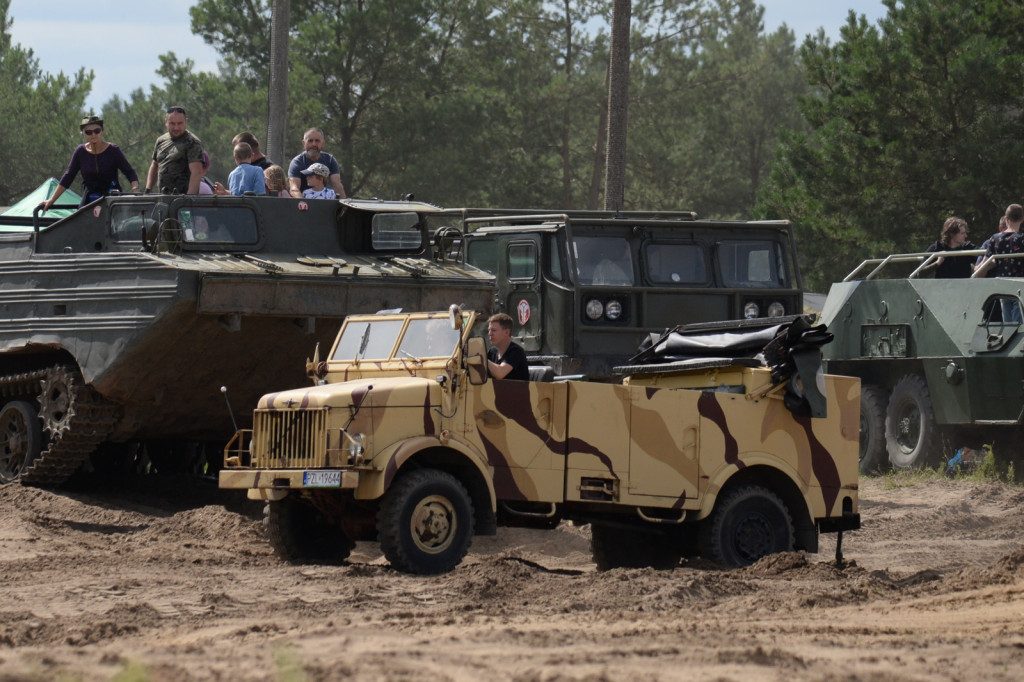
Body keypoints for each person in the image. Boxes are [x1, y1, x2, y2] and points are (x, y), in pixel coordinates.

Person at [39, 115, 139, 211]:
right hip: (90, 199)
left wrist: (136, 191)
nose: (93, 135)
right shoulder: (80, 152)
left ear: (102, 131)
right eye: (89, 132)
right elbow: (68, 176)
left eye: (97, 131)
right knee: (83, 221)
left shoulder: (113, 150)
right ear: (83, 133)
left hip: (112, 199)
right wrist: (52, 200)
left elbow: (130, 172)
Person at [146, 106, 205, 195]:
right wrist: (148, 188)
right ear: (166, 122)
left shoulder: (192, 142)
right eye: (172, 123)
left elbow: (196, 172)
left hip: (181, 202)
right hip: (163, 197)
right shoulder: (161, 141)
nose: (176, 128)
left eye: (180, 123)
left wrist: (188, 199)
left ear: (186, 122)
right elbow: (155, 164)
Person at [288, 128, 347, 198]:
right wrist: (305, 205)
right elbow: (294, 190)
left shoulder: (330, 160)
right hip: (302, 204)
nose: (314, 144)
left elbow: (337, 186)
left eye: (317, 141)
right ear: (304, 143)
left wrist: (344, 207)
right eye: (310, 141)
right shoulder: (297, 162)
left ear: (323, 143)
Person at [486, 313, 529, 381]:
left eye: (493, 330)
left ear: (506, 332)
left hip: (516, 391)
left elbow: (500, 373)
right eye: (489, 330)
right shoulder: (492, 352)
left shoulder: (516, 351)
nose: (490, 334)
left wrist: (481, 358)